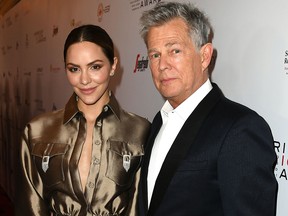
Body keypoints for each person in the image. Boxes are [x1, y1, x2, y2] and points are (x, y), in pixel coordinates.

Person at [138, 2, 277, 216]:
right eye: (155, 55)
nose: (162, 65)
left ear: (204, 56)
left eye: (174, 50)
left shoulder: (240, 129)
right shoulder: (159, 120)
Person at [15, 24, 150, 216]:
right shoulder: (37, 131)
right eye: (74, 69)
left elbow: (138, 209)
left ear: (113, 66)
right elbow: (30, 207)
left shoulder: (139, 131)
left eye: (95, 67)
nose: (84, 79)